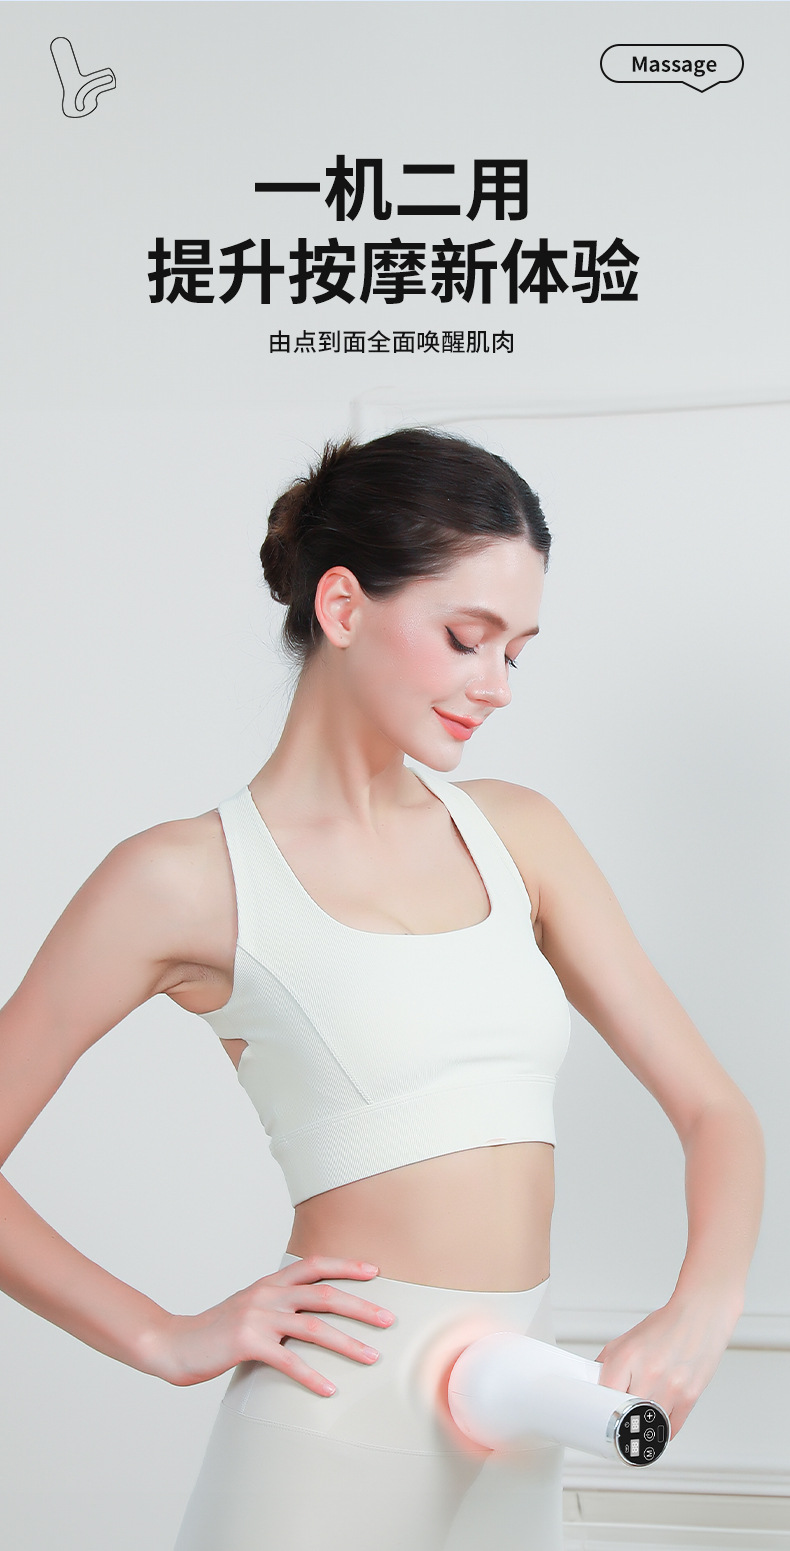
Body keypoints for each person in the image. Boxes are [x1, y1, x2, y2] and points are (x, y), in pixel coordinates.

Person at [0, 428, 764, 1550]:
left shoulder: (521, 836)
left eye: (517, 654)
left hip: (518, 1415)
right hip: (332, 1424)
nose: (496, 686)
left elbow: (715, 1111)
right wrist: (161, 1337)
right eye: (466, 638)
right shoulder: (183, 879)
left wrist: (704, 1300)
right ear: (344, 606)